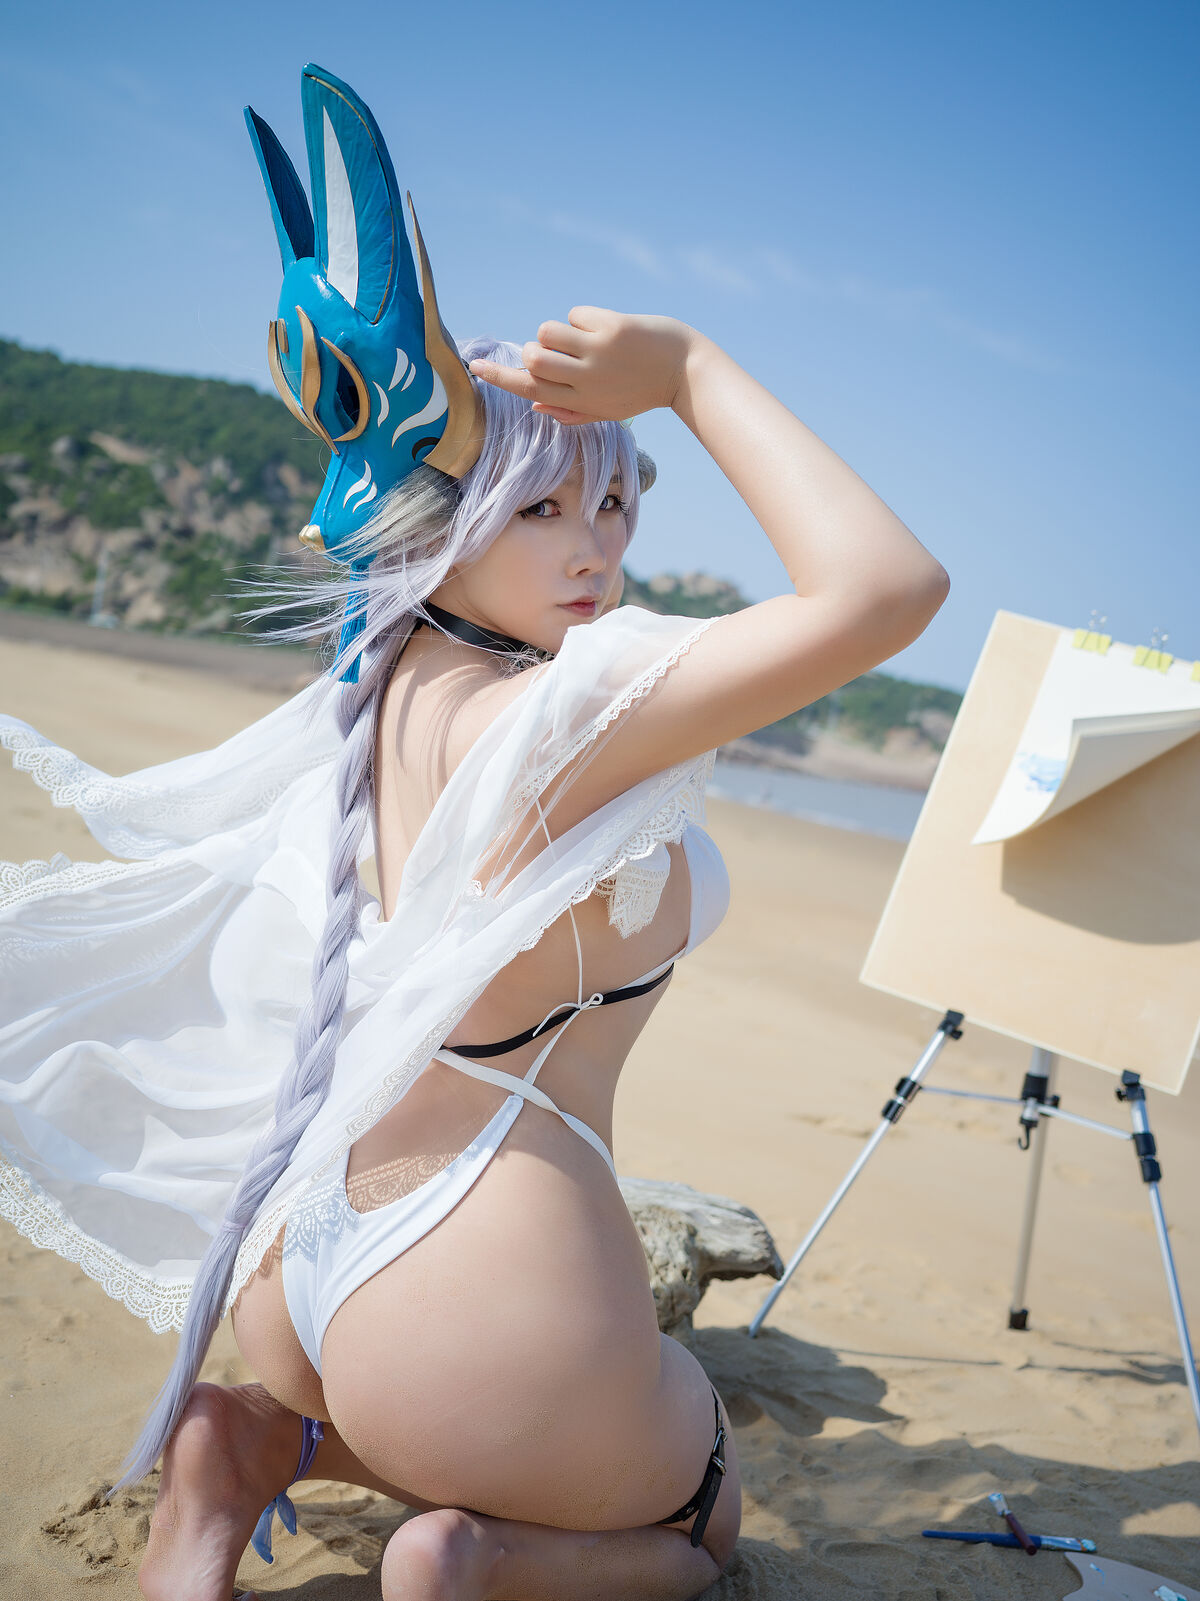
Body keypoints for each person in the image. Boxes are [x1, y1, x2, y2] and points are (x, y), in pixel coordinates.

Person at [0, 69, 947, 1601]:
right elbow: (888, 590)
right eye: (539, 508)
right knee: (705, 1506)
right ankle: (472, 1555)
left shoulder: (380, 687)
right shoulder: (556, 716)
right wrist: (690, 368)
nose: (595, 551)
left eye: (615, 504)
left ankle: (255, 1441)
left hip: (304, 1261)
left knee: (471, 1416)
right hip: (472, 1281)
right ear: (445, 514)